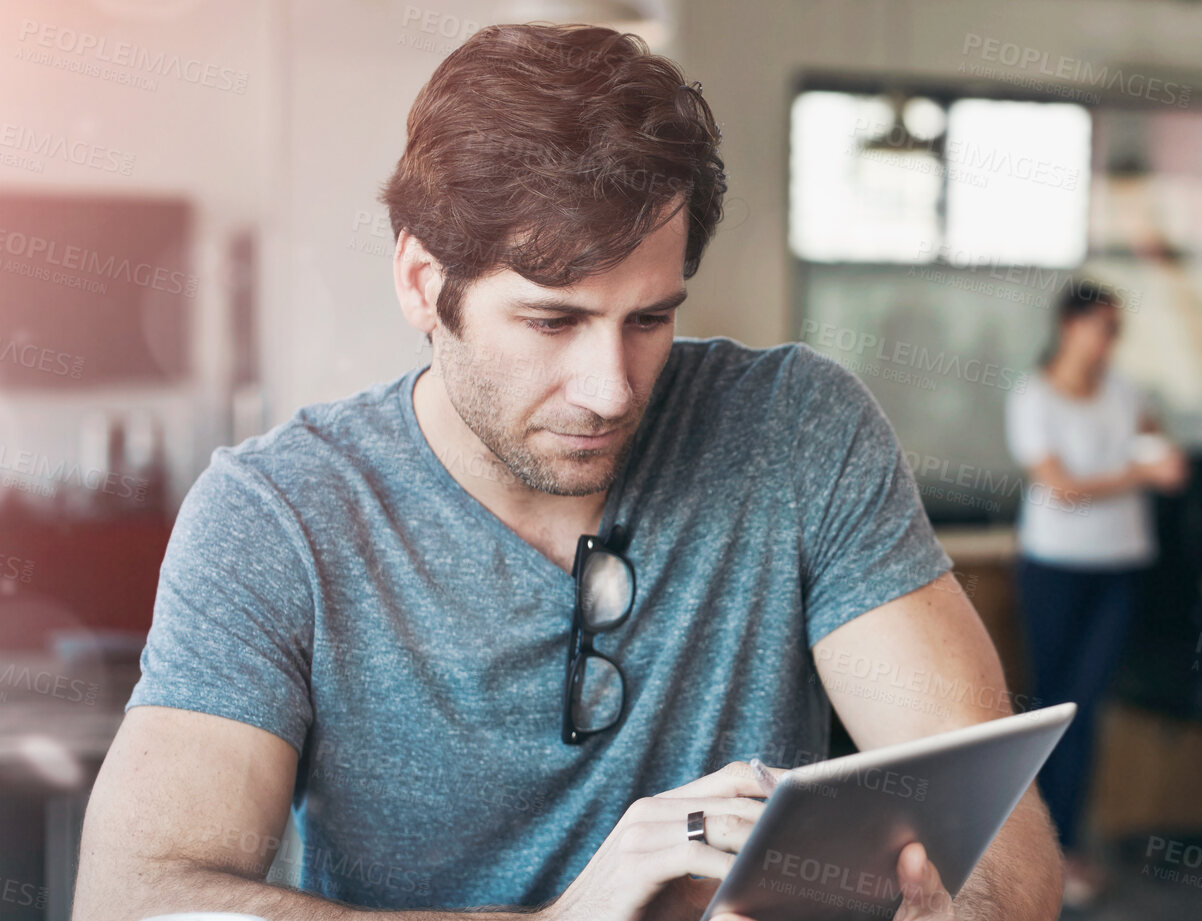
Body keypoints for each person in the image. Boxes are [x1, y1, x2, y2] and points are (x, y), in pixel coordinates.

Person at [72, 24, 1060, 921]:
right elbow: (137, 899)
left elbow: (995, 818)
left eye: (650, 319)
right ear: (424, 284)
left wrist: (961, 911)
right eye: (552, 321)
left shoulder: (798, 432)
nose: (611, 389)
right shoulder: (279, 514)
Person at [1004, 280, 1186, 906]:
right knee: (1056, 708)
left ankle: (1068, 846)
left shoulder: (1127, 393)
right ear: (1069, 326)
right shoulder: (1033, 397)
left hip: (1119, 567)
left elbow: (1161, 455)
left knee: (1086, 706)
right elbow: (1063, 486)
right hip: (1054, 567)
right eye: (1103, 327)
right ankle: (1043, 847)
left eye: (1117, 330)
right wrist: (1139, 472)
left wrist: (1158, 458)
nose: (1111, 341)